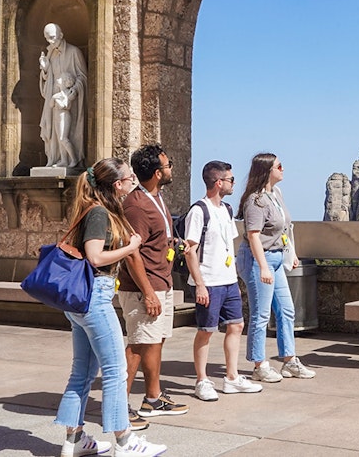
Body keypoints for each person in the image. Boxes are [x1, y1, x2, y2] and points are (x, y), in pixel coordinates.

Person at [54, 157, 166, 457]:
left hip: (81, 300)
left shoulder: (92, 210)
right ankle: (125, 441)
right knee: (115, 371)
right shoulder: (99, 213)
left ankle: (74, 439)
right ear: (117, 184)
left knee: (82, 371)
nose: (132, 182)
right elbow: (94, 257)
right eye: (130, 179)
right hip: (95, 298)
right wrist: (130, 248)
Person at [119, 145, 189, 426]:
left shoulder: (156, 197)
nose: (172, 167)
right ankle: (118, 407)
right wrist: (148, 292)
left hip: (162, 280)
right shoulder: (136, 205)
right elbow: (132, 252)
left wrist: (174, 244)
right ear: (158, 173)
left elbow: (153, 239)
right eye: (168, 164)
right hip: (142, 287)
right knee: (137, 345)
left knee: (154, 341)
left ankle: (153, 398)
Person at [182, 160, 264, 401]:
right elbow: (190, 250)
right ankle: (202, 380)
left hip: (228, 280)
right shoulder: (199, 211)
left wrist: (235, 280)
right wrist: (199, 284)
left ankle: (231, 377)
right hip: (209, 280)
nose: (233, 184)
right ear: (219, 182)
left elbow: (230, 246)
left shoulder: (227, 210)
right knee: (206, 330)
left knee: (236, 325)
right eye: (230, 180)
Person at [236, 153, 316, 382]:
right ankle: (259, 365)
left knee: (287, 309)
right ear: (267, 171)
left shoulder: (276, 194)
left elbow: (283, 229)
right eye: (279, 166)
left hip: (277, 258)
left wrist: (290, 252)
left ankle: (289, 361)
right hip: (257, 259)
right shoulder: (255, 200)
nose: (283, 169)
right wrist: (262, 268)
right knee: (261, 314)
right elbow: (253, 236)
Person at [40, 22, 88, 168]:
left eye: (53, 38)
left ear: (61, 35)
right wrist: (45, 69)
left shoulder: (74, 52)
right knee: (53, 131)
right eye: (47, 39)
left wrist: (74, 90)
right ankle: (56, 158)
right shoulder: (51, 55)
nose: (50, 42)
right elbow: (48, 79)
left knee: (65, 135)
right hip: (54, 98)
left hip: (69, 100)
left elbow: (83, 76)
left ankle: (72, 160)